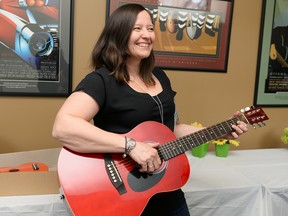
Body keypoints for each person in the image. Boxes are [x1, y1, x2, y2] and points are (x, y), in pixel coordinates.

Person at [52, 3, 248, 216]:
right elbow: (63, 127)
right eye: (137, 29)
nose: (146, 35)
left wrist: (219, 131)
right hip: (122, 197)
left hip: (167, 192)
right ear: (118, 34)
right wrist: (132, 146)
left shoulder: (160, 77)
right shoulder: (101, 81)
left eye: (150, 28)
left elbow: (173, 129)